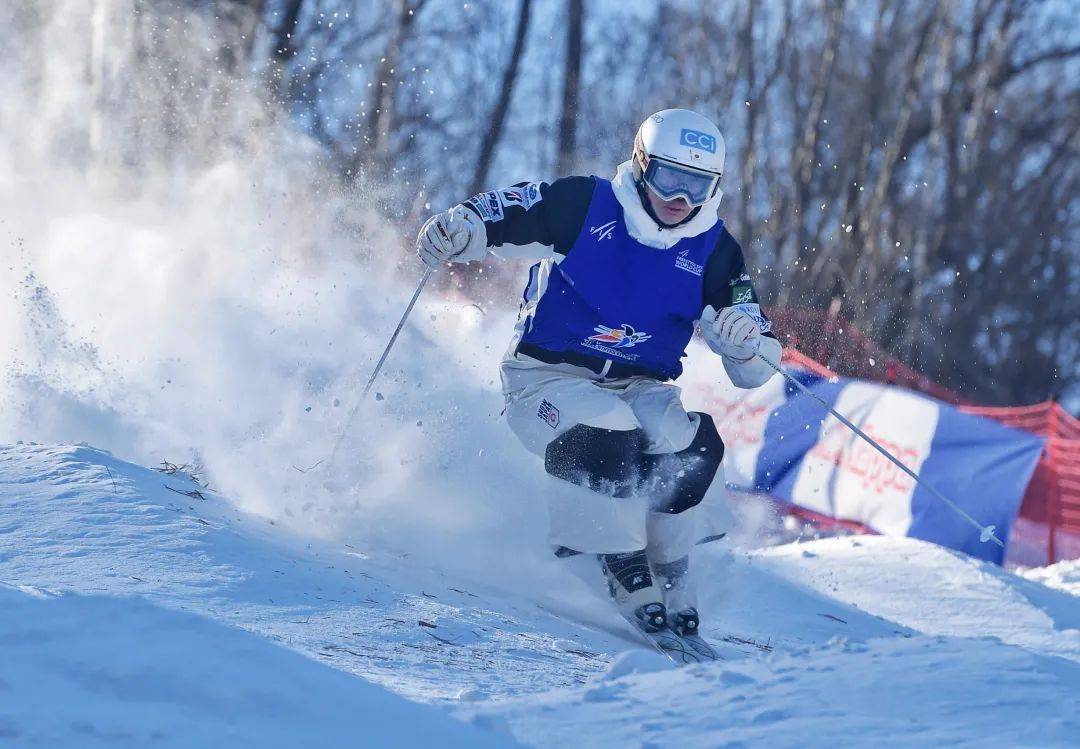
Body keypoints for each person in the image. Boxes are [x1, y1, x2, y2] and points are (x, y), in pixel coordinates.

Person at [415, 109, 781, 659]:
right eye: (668, 179)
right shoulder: (589, 205)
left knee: (688, 443)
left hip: (642, 384)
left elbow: (755, 355)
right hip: (547, 378)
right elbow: (507, 210)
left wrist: (745, 343)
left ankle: (670, 563)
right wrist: (462, 227)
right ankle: (616, 559)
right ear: (641, 163)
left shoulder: (715, 250)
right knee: (608, 430)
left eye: (697, 185)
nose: (679, 199)